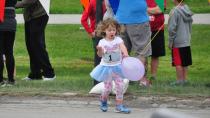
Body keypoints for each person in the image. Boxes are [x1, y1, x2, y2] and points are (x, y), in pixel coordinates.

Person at [90, 18, 131, 113]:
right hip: (106, 68)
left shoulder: (118, 40)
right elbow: (100, 55)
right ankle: (103, 100)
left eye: (113, 30)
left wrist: (125, 53)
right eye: (109, 30)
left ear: (116, 30)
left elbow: (122, 47)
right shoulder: (102, 42)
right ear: (104, 30)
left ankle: (119, 106)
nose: (112, 32)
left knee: (120, 86)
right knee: (107, 88)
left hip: (117, 67)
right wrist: (100, 50)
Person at [15, 0, 56, 81]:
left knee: (37, 45)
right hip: (30, 17)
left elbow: (30, 1)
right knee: (30, 45)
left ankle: (49, 73)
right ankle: (35, 73)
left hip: (39, 16)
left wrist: (13, 4)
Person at [115, 0, 152, 87]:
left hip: (121, 17)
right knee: (141, 50)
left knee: (122, 50)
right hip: (138, 19)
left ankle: (121, 79)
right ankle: (142, 80)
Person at [168, 0, 193, 85]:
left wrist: (170, 41)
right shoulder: (187, 9)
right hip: (186, 39)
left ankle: (180, 81)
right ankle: (184, 80)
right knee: (185, 61)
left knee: (178, 62)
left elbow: (172, 28)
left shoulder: (174, 11)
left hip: (178, 41)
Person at [81, 0, 105, 85]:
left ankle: (98, 81)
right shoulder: (95, 2)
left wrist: (91, 32)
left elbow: (83, 19)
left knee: (98, 57)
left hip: (98, 34)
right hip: (105, 34)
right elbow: (83, 20)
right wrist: (91, 32)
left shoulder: (92, 2)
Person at [147, 0, 166, 82]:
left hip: (157, 29)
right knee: (143, 54)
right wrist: (153, 10)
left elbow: (160, 9)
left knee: (155, 54)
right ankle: (142, 76)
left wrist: (146, 10)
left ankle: (153, 77)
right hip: (143, 29)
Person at [0, 0, 17, 86]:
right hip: (11, 24)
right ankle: (11, 79)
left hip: (1, 23)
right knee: (9, 52)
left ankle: (0, 80)